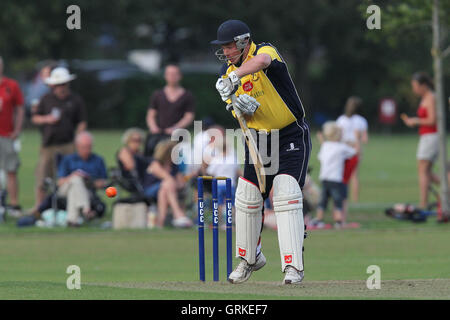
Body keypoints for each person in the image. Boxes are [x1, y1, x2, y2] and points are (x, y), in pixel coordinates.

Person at [212, 20, 311, 284]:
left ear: (244, 41)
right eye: (223, 47)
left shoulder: (264, 50)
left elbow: (263, 62)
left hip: (290, 133)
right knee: (247, 195)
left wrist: (236, 77)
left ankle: (293, 267)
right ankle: (249, 259)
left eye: (230, 46)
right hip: (257, 139)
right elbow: (236, 113)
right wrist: (239, 107)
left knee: (286, 190)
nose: (226, 52)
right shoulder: (226, 72)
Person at [31, 67, 87, 210]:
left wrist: (78, 138)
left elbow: (81, 122)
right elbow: (35, 118)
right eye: (58, 85)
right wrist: (47, 119)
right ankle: (40, 207)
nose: (61, 88)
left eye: (63, 84)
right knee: (42, 176)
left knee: (70, 176)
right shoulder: (46, 99)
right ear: (53, 86)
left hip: (68, 144)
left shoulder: (76, 100)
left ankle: (71, 206)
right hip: (48, 145)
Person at [117, 134, 192, 228]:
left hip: (164, 190)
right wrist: (175, 183)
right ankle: (178, 214)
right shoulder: (156, 164)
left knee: (164, 190)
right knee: (167, 183)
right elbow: (169, 179)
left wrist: (178, 182)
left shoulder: (174, 166)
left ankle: (160, 223)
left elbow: (181, 184)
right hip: (149, 190)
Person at [401, 72, 439, 209]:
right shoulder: (425, 98)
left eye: (416, 86)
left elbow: (433, 120)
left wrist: (416, 121)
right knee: (426, 172)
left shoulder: (430, 98)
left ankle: (423, 203)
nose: (414, 90)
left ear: (424, 85)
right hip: (426, 136)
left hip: (431, 137)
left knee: (423, 171)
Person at [310, 122, 356, 229]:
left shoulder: (325, 145)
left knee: (323, 200)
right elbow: (353, 152)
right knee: (337, 200)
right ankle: (339, 221)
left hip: (324, 178)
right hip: (336, 179)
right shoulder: (341, 147)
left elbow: (320, 158)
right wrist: (349, 144)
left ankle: (319, 220)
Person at [57, 131, 107, 226]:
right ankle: (86, 209)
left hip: (88, 190)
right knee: (76, 179)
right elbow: (59, 182)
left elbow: (104, 182)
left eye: (89, 147)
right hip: (65, 189)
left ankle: (72, 221)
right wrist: (73, 176)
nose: (87, 150)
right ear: (77, 146)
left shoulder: (98, 160)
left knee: (75, 189)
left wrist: (90, 181)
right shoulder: (67, 160)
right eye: (84, 147)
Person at [145, 64, 195, 156]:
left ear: (180, 76)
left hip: (178, 136)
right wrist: (153, 127)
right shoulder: (157, 94)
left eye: (174, 74)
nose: (172, 77)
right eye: (169, 74)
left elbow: (189, 116)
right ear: (165, 76)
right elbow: (151, 115)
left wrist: (176, 128)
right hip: (158, 136)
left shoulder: (187, 96)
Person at [0, 56, 25, 217]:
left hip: (6, 135)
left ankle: (13, 205)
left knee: (11, 170)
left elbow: (20, 107)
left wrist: (17, 130)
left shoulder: (11, 85)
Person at [336, 96, 369, 203]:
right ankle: (355, 201)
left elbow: (337, 137)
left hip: (343, 150)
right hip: (356, 150)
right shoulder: (362, 121)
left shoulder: (341, 120)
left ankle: (343, 199)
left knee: (343, 176)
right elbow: (365, 139)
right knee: (354, 176)